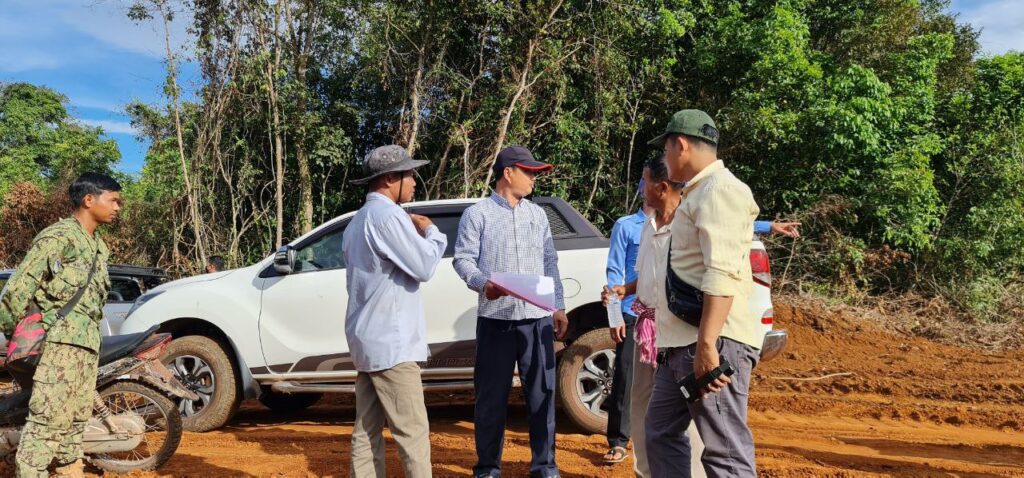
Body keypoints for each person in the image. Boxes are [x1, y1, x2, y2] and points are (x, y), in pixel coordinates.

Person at [644, 109, 761, 477]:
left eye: (665, 150)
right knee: (660, 432)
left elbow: (722, 272)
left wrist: (708, 345)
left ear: (680, 145)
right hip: (682, 345)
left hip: (710, 343)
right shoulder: (699, 192)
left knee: (724, 450)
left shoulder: (720, 190)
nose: (664, 159)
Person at [453, 145, 568, 478]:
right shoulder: (478, 214)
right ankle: (488, 469)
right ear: (508, 173)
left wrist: (558, 306)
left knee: (542, 395)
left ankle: (545, 467)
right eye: (528, 172)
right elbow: (463, 259)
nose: (534, 178)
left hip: (537, 320)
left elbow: (549, 261)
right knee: (490, 399)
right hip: (496, 320)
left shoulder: (538, 215)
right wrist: (482, 283)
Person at [0, 172, 121, 478]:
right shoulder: (58, 237)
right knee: (47, 423)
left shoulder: (98, 247)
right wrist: (20, 337)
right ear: (89, 199)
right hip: (56, 348)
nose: (117, 207)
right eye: (113, 200)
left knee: (75, 423)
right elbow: (16, 292)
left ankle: (69, 470)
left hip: (86, 349)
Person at [341, 145, 446, 478]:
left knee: (366, 430)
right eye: (409, 175)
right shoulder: (388, 216)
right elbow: (424, 265)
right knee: (411, 432)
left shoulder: (356, 221)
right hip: (392, 344)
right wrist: (432, 231)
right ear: (389, 179)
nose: (414, 182)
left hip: (368, 341)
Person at [602, 189, 648, 464]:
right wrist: (614, 316)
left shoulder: (678, 222)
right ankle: (618, 441)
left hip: (665, 316)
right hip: (631, 311)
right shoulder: (626, 225)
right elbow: (614, 271)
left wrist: (766, 226)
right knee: (625, 377)